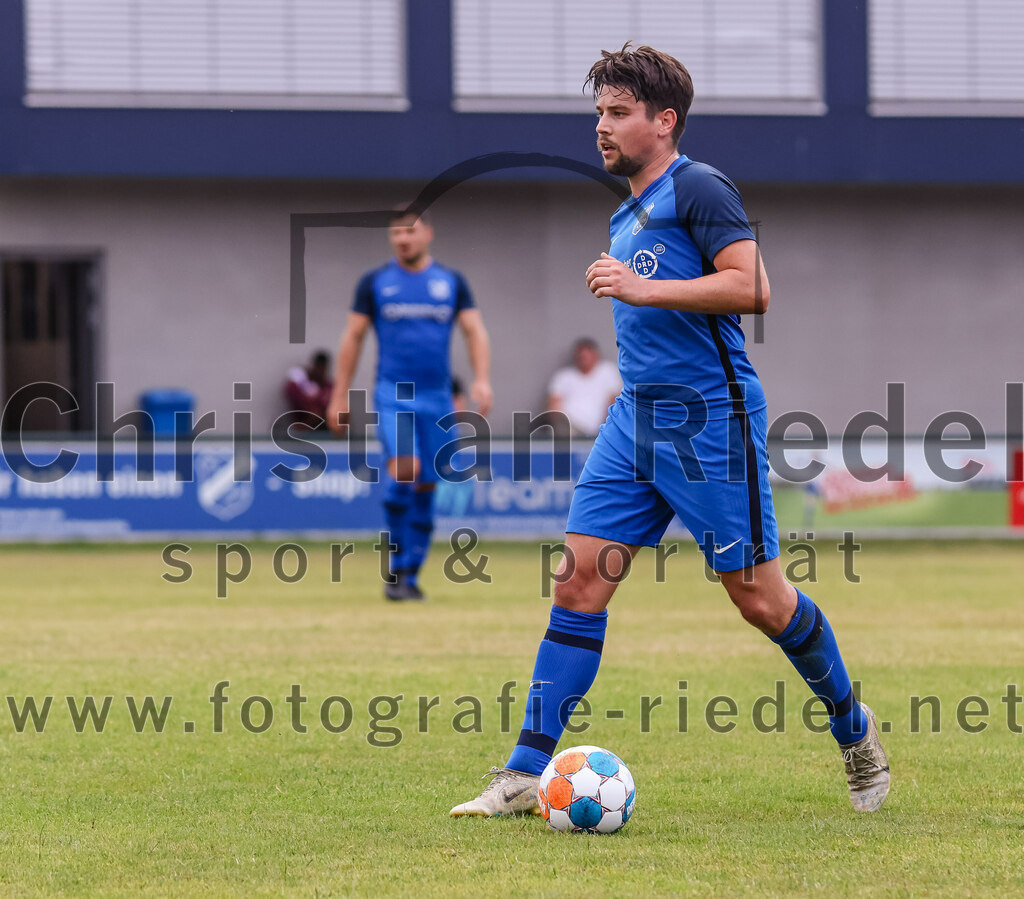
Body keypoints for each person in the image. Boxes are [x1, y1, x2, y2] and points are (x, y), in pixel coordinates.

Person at [451, 44, 888, 817]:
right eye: (598, 114)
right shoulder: (626, 209)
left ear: (665, 120)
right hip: (634, 421)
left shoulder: (701, 187)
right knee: (578, 579)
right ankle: (524, 769)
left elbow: (752, 286)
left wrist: (643, 287)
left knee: (758, 597)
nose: (602, 128)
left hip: (709, 423)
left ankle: (854, 727)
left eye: (618, 113)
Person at [327, 209, 493, 601]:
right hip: (393, 393)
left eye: (410, 231)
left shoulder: (450, 283)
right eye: (396, 232)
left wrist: (482, 378)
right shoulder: (375, 282)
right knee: (406, 467)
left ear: (427, 234)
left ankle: (408, 575)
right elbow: (353, 337)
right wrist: (339, 393)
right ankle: (395, 563)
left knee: (427, 483)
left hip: (436, 397)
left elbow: (473, 330)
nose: (403, 238)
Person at [546, 337, 622, 436]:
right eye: (581, 357)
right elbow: (553, 406)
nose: (584, 360)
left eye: (586, 357)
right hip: (569, 428)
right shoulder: (563, 376)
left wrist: (607, 427)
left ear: (596, 356)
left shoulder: (608, 372)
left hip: (600, 429)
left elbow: (615, 400)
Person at [283, 350, 333, 427]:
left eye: (323, 368)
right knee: (315, 413)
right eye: (319, 367)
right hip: (304, 427)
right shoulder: (298, 384)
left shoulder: (329, 386)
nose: (320, 371)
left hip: (327, 426)